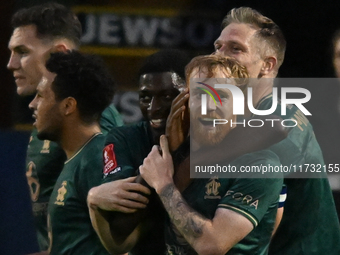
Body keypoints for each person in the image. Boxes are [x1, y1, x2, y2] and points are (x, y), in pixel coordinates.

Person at [207, 7, 340, 254]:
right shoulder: (241, 116)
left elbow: (219, 238)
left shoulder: (281, 128)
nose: (219, 56)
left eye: (235, 49)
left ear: (267, 66)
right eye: (218, 46)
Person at [139, 54, 283, 255]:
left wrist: (164, 186)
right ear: (186, 102)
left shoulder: (260, 164)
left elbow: (211, 246)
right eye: (200, 95)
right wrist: (94, 200)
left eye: (222, 96)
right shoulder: (173, 157)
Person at [7, 3, 123, 251]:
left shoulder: (95, 121)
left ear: (59, 52)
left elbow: (120, 234)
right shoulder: (47, 118)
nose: (11, 63)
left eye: (22, 51)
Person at [88, 49, 192, 255]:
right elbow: (121, 226)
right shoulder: (124, 139)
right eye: (145, 97)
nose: (154, 108)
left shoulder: (213, 143)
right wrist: (167, 149)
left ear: (189, 95)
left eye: (167, 96)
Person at [29, 51, 115, 254]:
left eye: (41, 95)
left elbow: (124, 245)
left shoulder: (97, 159)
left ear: (68, 105)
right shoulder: (77, 158)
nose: (33, 104)